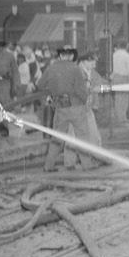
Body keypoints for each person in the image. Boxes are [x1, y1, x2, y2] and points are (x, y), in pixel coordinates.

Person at [36, 45, 97, 173]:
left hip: (60, 108)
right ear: (71, 56)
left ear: (60, 55)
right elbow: (81, 91)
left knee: (57, 139)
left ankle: (48, 166)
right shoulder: (75, 69)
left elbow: (40, 85)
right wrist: (86, 99)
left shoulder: (51, 68)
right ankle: (87, 165)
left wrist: (53, 90)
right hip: (76, 107)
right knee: (83, 137)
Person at [111, 39, 129, 122]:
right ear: (127, 46)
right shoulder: (126, 56)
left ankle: (118, 117)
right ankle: (122, 118)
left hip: (115, 77)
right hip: (124, 78)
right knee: (124, 99)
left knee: (117, 98)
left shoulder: (113, 55)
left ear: (118, 46)